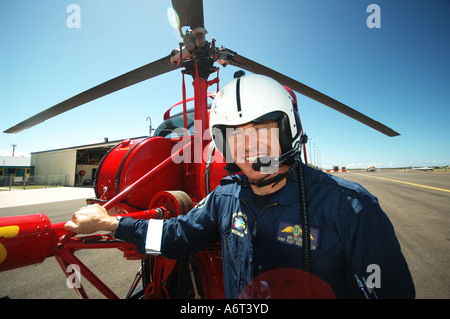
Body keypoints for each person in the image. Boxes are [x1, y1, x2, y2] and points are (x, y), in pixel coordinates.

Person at [65, 74, 415, 299]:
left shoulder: (351, 207)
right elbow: (176, 237)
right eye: (236, 138)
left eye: (263, 131)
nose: (251, 149)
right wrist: (113, 224)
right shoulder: (225, 197)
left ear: (288, 131)